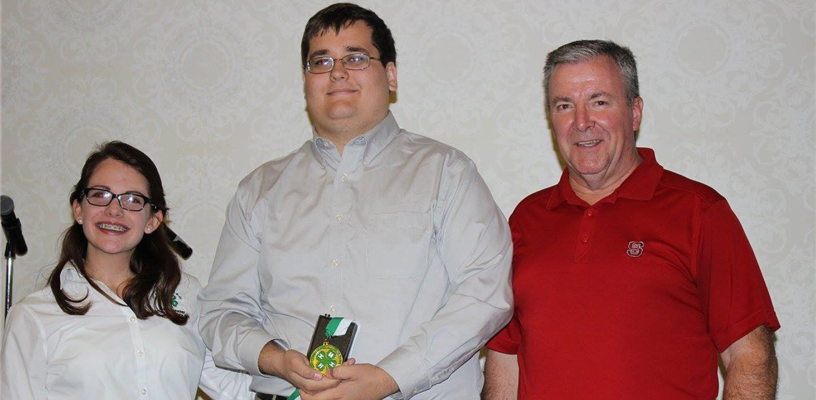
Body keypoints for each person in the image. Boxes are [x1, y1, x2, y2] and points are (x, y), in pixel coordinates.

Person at [197, 3, 513, 400]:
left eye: (356, 57)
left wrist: (389, 378)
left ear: (391, 75)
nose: (337, 72)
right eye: (321, 61)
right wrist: (276, 359)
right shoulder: (259, 190)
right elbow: (221, 311)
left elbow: (485, 295)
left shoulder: (446, 173)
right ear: (306, 80)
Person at [482, 39, 780, 400]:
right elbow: (505, 357)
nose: (581, 122)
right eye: (564, 106)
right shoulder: (527, 219)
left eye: (599, 102)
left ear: (635, 112)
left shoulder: (699, 211)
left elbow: (749, 354)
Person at [0, 141, 253, 400]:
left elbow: (236, 389)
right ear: (78, 209)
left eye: (132, 200)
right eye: (100, 195)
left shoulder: (184, 293)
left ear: (153, 220)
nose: (114, 210)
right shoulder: (32, 317)